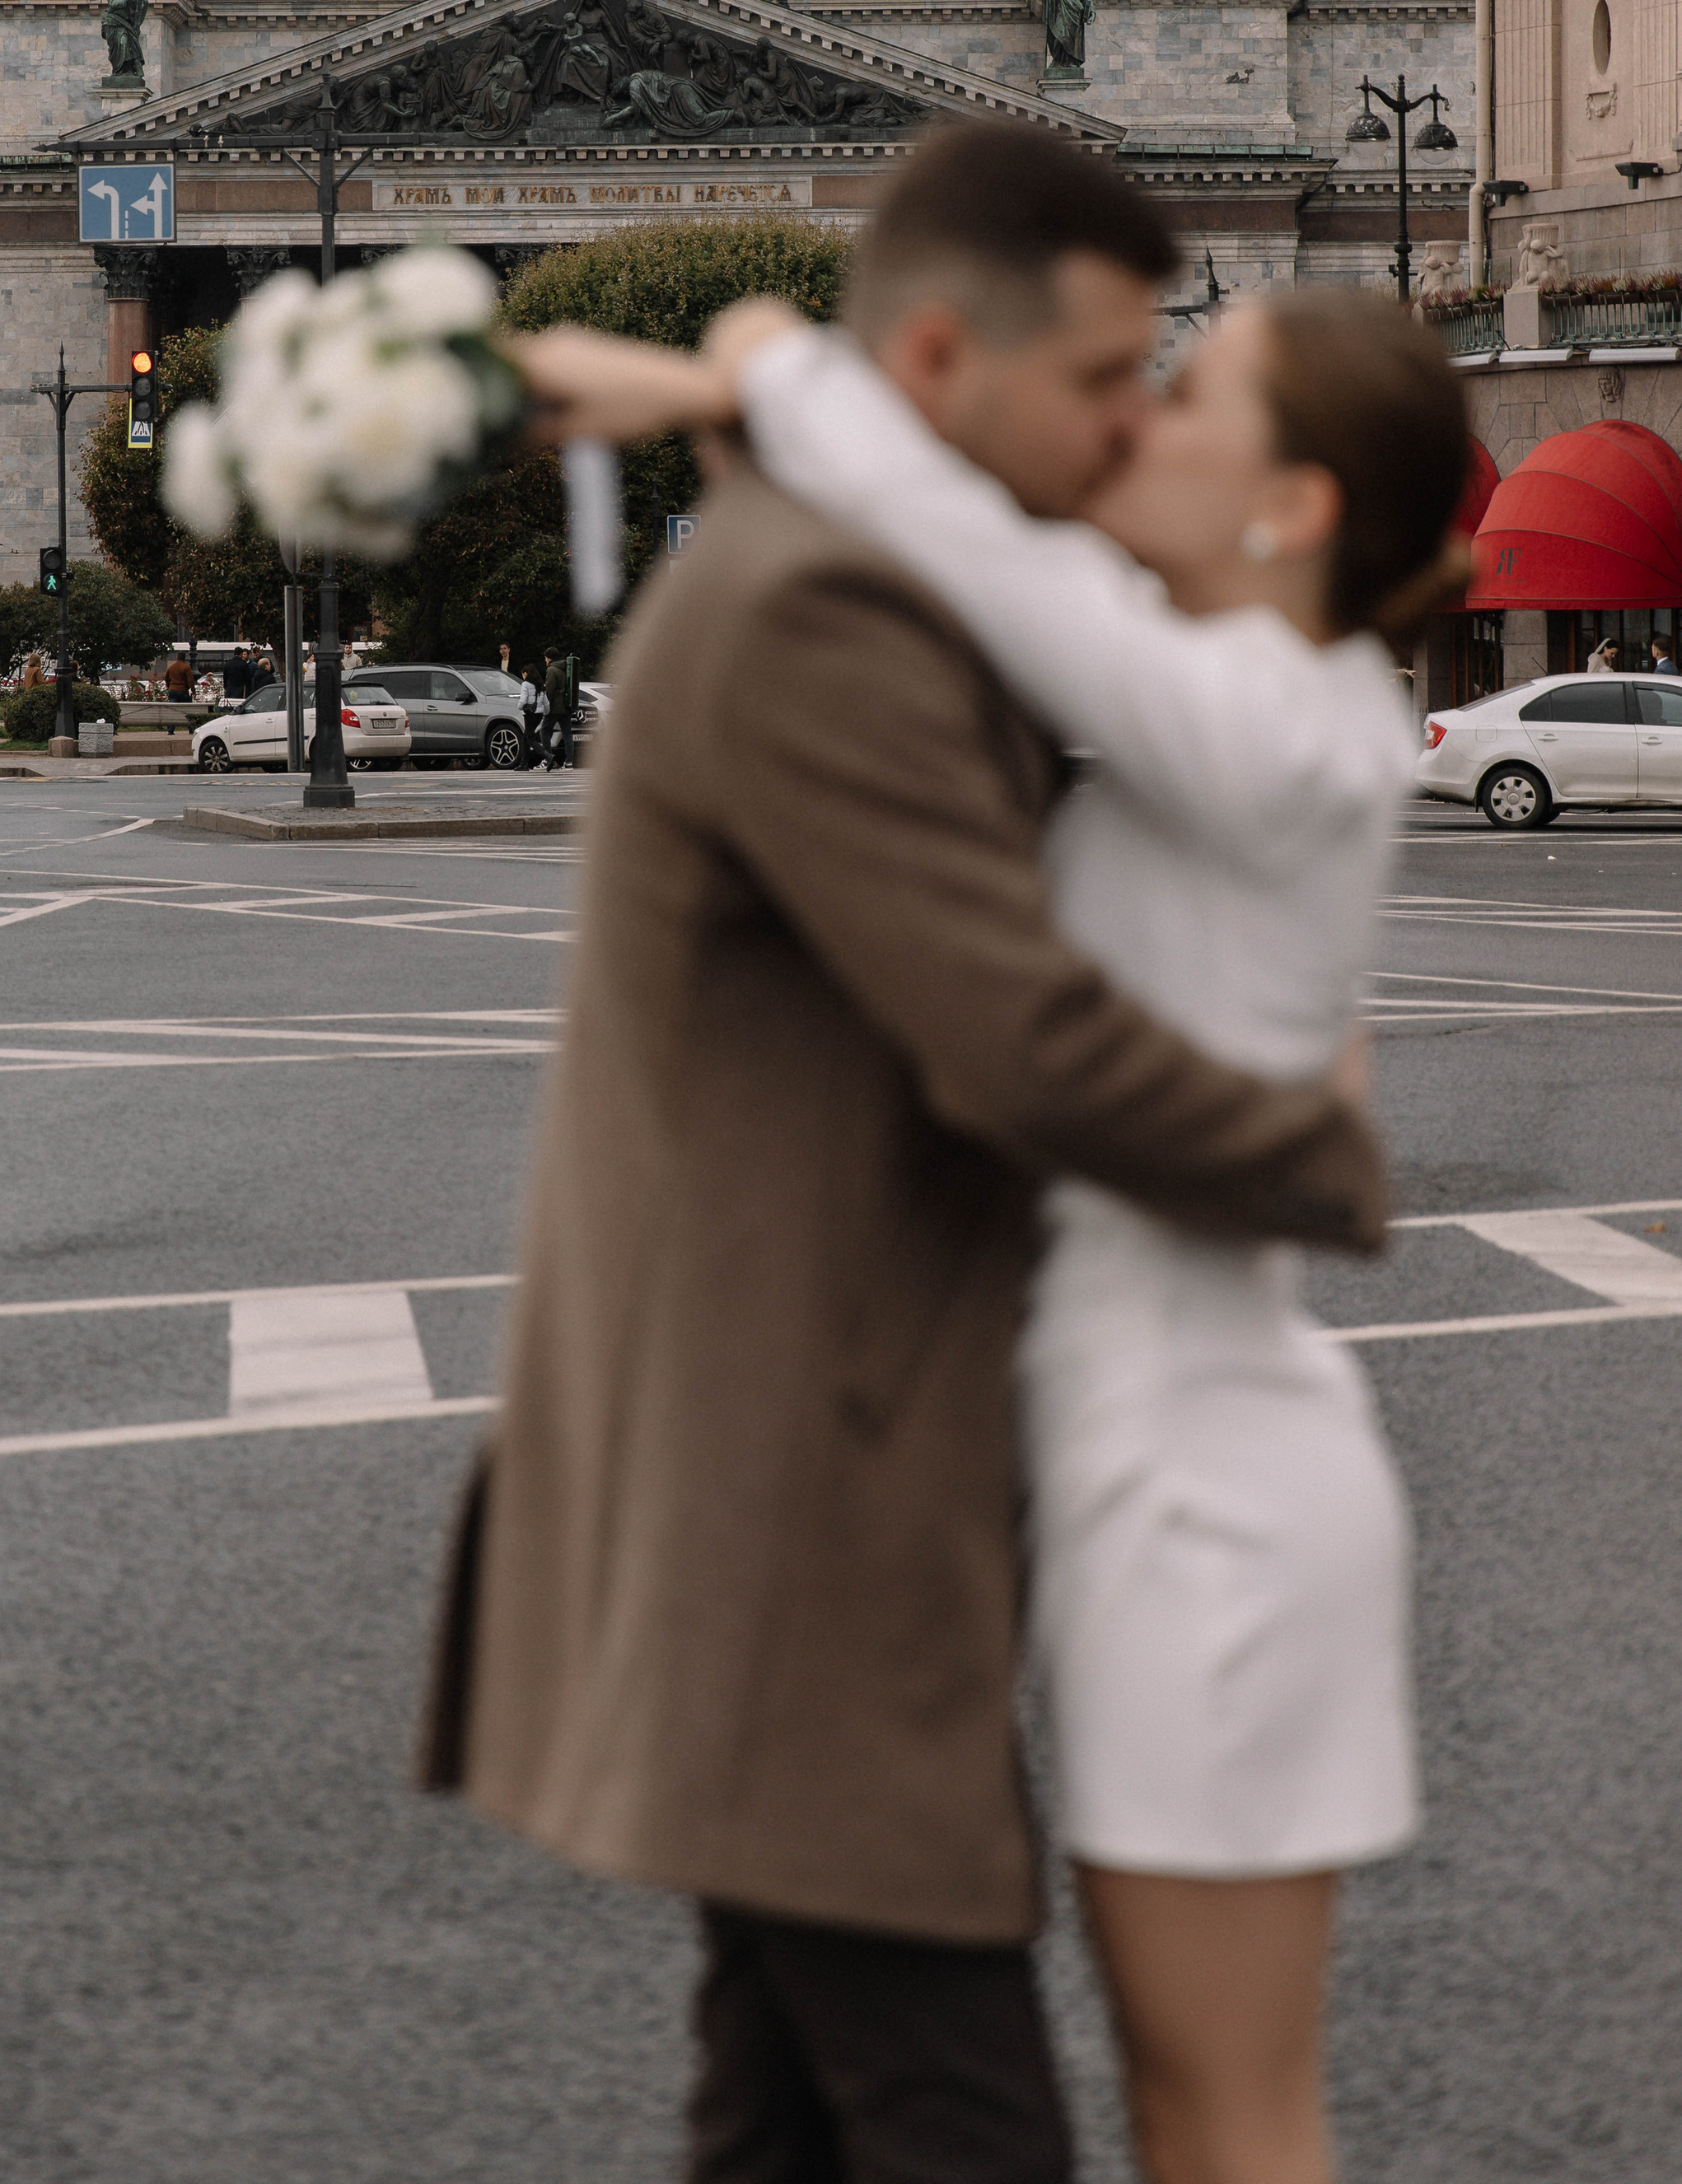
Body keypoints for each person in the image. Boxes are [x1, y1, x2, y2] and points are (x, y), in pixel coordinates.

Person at [426, 121, 1388, 2184]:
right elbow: (1021, 1043)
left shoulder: (989, 605)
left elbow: (978, 537)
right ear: (945, 361)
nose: (1131, 429)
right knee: (946, 2116)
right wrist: (1322, 1152)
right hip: (806, 1480)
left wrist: (732, 368)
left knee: (787, 2101)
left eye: (1172, 389)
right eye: (1112, 377)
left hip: (919, 1450)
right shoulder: (825, 614)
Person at [540, 642, 577, 767]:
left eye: (546, 658)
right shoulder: (566, 667)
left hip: (554, 708)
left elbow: (549, 691)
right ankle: (569, 762)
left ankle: (547, 759)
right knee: (567, 733)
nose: (545, 660)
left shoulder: (552, 670)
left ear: (549, 658)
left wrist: (545, 706)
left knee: (544, 730)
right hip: (566, 706)